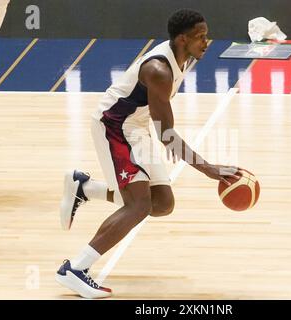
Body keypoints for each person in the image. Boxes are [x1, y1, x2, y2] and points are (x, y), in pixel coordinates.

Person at [55, 9, 241, 299]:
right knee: (139, 206)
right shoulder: (159, 71)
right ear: (182, 39)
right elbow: (167, 134)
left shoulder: (181, 58)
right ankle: (75, 269)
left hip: (136, 126)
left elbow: (161, 130)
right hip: (114, 126)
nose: (206, 42)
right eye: (200, 37)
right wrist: (209, 169)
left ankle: (85, 188)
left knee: (162, 203)